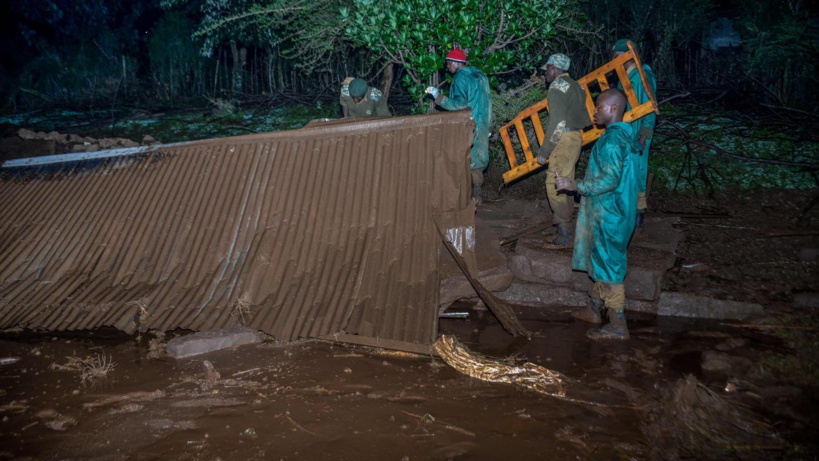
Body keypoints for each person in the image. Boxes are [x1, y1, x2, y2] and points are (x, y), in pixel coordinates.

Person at [555, 89, 641, 340]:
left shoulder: (612, 141)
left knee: (610, 266)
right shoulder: (626, 136)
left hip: (608, 213)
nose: (594, 112)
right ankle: (593, 309)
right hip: (620, 210)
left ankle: (618, 324)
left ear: (613, 108)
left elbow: (610, 180)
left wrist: (576, 185)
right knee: (603, 260)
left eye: (599, 106)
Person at [535, 53, 592, 246]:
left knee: (554, 183)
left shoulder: (557, 87)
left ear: (554, 68)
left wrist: (544, 151)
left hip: (564, 139)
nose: (545, 74)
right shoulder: (577, 86)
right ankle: (566, 224)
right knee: (566, 181)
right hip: (576, 137)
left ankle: (564, 229)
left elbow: (558, 123)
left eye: (547, 69)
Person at [425, 48, 491, 204]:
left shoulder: (460, 77)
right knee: (477, 160)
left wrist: (438, 97)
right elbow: (488, 102)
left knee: (460, 159)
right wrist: (488, 126)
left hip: (467, 125)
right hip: (482, 123)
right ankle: (477, 194)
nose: (448, 67)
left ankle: (461, 199)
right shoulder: (480, 76)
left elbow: (459, 105)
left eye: (449, 63)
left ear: (457, 63)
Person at [612, 39, 657, 228]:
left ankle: (639, 213)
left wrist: (644, 135)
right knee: (623, 171)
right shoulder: (624, 78)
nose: (613, 60)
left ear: (627, 56)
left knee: (637, 171)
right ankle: (624, 210)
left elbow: (650, 108)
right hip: (625, 133)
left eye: (616, 56)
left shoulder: (643, 76)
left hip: (638, 134)